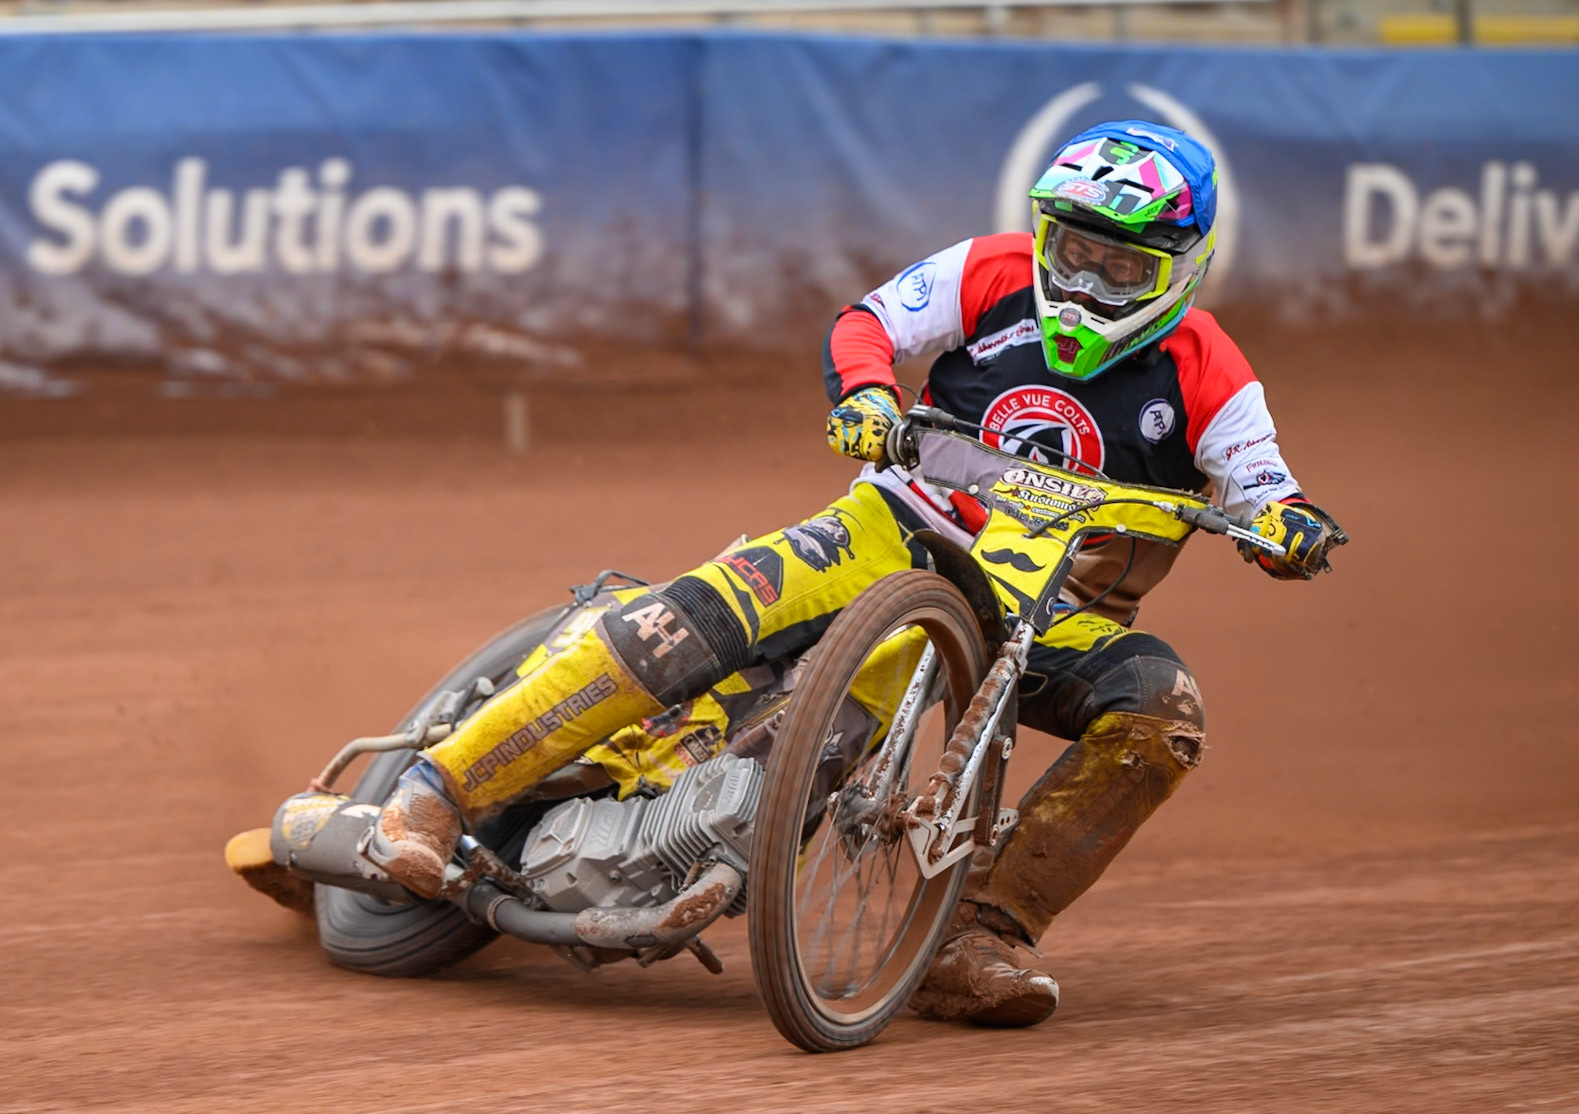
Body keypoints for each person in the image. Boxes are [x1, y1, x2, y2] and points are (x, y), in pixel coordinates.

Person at [367, 120, 1347, 1027]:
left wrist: (1287, 529)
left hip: (1050, 611)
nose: (1086, 281)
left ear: (1182, 269)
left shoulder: (1208, 367)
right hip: (889, 526)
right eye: (1072, 251)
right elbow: (869, 322)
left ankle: (976, 936)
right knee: (693, 615)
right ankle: (438, 787)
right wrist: (871, 393)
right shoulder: (987, 270)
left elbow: (1263, 486)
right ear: (1044, 236)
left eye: (1120, 264)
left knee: (1162, 714)